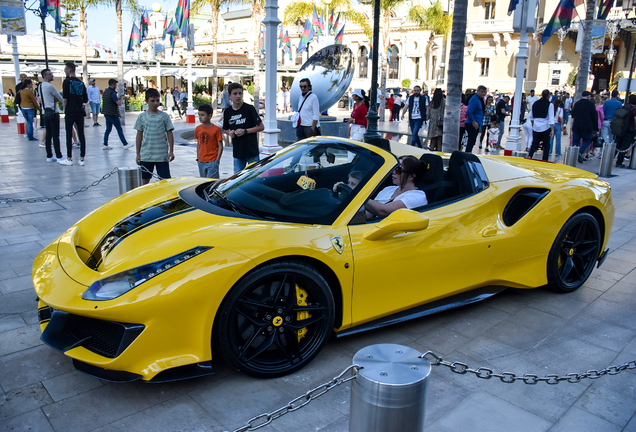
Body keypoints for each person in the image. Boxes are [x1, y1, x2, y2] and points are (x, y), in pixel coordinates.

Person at [134, 88, 175, 185]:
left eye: (157, 100)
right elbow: (139, 136)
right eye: (152, 101)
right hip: (146, 155)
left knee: (165, 181)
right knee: (145, 180)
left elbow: (170, 133)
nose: (155, 103)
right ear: (146, 101)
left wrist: (171, 151)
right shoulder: (142, 117)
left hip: (161, 155)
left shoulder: (164, 116)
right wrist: (138, 154)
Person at [223, 82, 264, 174]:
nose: (238, 96)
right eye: (235, 94)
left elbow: (261, 127)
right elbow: (225, 128)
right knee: (237, 179)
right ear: (229, 96)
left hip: (251, 151)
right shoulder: (227, 112)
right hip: (238, 152)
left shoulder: (249, 108)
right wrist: (230, 133)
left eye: (240, 93)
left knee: (255, 177)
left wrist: (245, 131)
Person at [61, 62, 88, 166]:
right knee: (81, 134)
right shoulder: (81, 83)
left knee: (69, 133)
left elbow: (65, 98)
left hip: (70, 111)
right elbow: (85, 99)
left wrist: (64, 108)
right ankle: (82, 158)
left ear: (68, 70)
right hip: (80, 112)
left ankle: (69, 158)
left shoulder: (66, 82)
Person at [40, 68, 64, 163]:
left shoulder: (40, 86)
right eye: (50, 74)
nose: (52, 75)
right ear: (45, 76)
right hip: (53, 112)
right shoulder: (50, 86)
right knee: (55, 135)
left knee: (49, 134)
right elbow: (60, 98)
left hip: (45, 111)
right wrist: (56, 99)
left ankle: (49, 155)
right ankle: (59, 156)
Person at [195, 104, 224, 178]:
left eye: (202, 115)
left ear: (209, 116)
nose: (200, 117)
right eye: (199, 115)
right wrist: (198, 158)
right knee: (203, 182)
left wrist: (217, 160)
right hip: (201, 160)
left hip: (212, 160)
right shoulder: (198, 129)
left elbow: (220, 145)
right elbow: (198, 143)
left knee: (211, 183)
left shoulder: (216, 129)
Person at [570, 91, 599, 163]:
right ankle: (579, 152)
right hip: (587, 126)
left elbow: (572, 114)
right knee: (587, 140)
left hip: (577, 126)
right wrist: (596, 128)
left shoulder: (577, 103)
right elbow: (594, 117)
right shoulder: (591, 104)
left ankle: (574, 154)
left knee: (575, 141)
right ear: (588, 96)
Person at [102, 79, 131, 150]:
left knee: (108, 129)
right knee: (119, 129)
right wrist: (121, 99)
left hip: (106, 113)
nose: (116, 86)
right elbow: (119, 103)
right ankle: (125, 143)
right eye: (115, 84)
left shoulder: (105, 92)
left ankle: (105, 144)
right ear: (113, 84)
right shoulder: (112, 93)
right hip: (113, 114)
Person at [527, 89, 554, 161]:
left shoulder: (535, 103)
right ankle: (544, 160)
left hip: (536, 127)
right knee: (546, 145)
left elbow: (531, 117)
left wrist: (533, 125)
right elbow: (551, 118)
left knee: (534, 144)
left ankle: (530, 156)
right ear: (548, 96)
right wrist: (552, 129)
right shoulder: (550, 104)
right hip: (545, 127)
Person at [615, 94, 636, 167]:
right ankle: (619, 162)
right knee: (624, 146)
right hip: (629, 131)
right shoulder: (633, 110)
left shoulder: (623, 107)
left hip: (619, 129)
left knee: (617, 145)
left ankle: (610, 158)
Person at [465, 85, 487, 153]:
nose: (483, 93)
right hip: (472, 123)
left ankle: (468, 153)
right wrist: (473, 121)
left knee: (472, 141)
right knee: (471, 141)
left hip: (477, 122)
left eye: (484, 92)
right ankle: (467, 155)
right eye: (481, 92)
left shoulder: (479, 99)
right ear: (477, 91)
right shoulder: (475, 99)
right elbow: (469, 111)